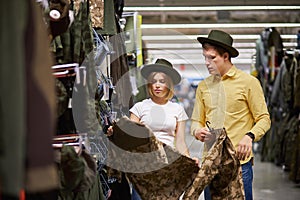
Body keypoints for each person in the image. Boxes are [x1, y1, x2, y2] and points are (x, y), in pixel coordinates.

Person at [190, 30, 271, 200]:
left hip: (239, 165)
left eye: (212, 58)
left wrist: (250, 136)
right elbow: (196, 121)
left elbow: (264, 118)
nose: (207, 63)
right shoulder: (203, 87)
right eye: (205, 57)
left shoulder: (248, 83)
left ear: (225, 56)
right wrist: (197, 131)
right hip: (211, 164)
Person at [108, 58, 192, 157]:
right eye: (154, 81)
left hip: (169, 159)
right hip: (145, 160)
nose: (157, 85)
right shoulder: (139, 107)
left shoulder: (178, 110)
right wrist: (116, 132)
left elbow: (180, 142)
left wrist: (189, 162)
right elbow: (131, 137)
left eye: (162, 81)